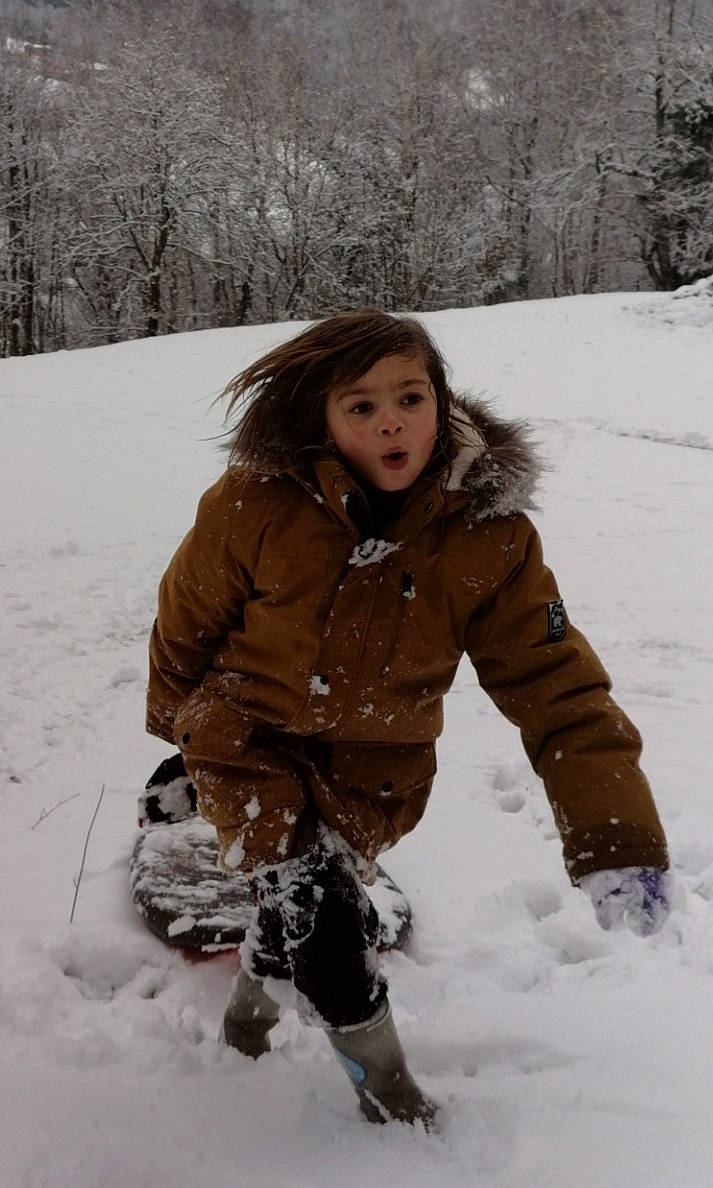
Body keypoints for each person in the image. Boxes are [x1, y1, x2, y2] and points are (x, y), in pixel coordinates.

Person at [146, 310, 670, 1129]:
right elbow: (184, 626)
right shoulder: (254, 504)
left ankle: (248, 1015)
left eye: (409, 397)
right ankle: (387, 1093)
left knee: (297, 905)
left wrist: (615, 835)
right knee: (326, 921)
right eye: (359, 406)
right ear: (319, 417)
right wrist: (176, 746)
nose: (390, 420)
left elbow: (555, 685)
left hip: (374, 776)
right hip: (246, 748)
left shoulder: (489, 540)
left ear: (442, 402)